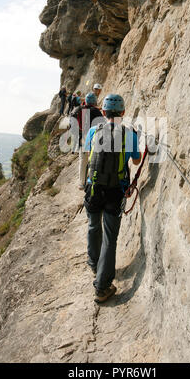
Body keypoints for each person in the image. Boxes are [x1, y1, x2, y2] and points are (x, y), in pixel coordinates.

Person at [84, 94, 141, 303]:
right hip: (115, 192)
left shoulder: (93, 131)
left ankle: (94, 264)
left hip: (93, 189)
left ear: (104, 113)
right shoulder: (129, 135)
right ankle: (102, 286)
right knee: (110, 237)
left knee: (93, 225)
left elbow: (90, 154)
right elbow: (136, 161)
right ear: (123, 113)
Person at [75, 92, 104, 190]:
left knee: (82, 161)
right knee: (93, 160)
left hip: (82, 138)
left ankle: (81, 183)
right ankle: (92, 180)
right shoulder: (96, 111)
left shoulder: (80, 109)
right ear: (94, 101)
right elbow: (103, 124)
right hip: (93, 139)